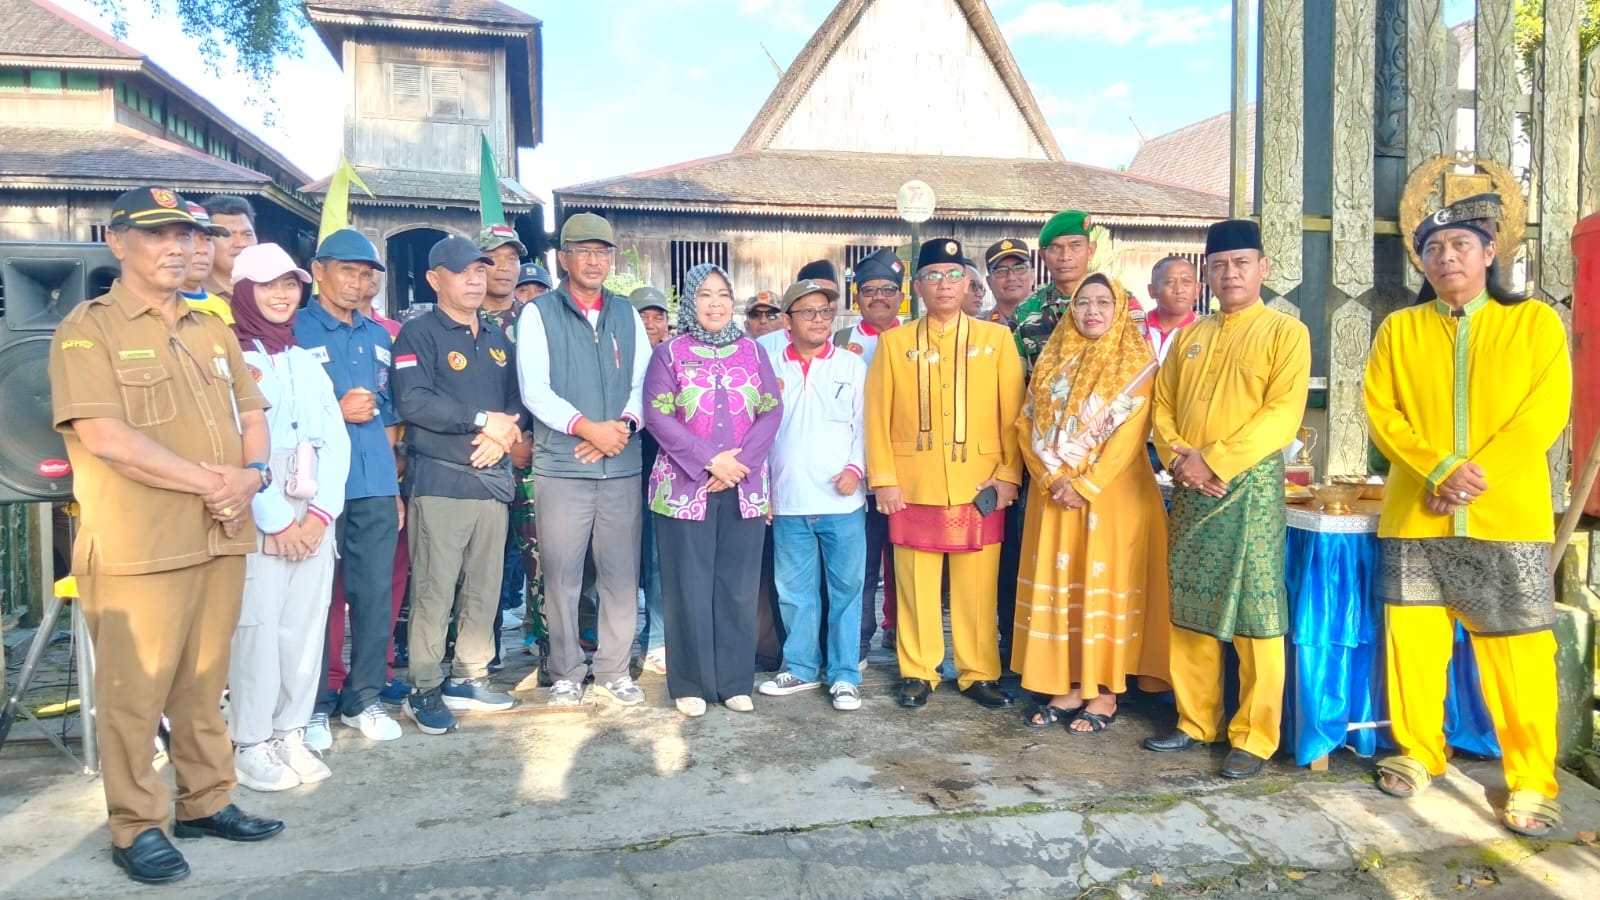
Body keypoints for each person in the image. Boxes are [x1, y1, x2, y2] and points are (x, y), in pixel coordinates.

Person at [48, 187, 282, 885]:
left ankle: (206, 801)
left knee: (204, 683)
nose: (180, 247)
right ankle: (136, 824)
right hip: (140, 548)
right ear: (117, 242)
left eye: (189, 234)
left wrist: (253, 474)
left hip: (219, 536)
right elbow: (105, 437)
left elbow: (252, 411)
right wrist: (212, 482)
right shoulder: (89, 330)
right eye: (159, 235)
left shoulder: (212, 329)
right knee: (134, 693)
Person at [1364, 195, 1572, 837]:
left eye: (1459, 246)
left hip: (1504, 515)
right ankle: (1419, 749)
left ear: (1489, 254)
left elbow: (1545, 412)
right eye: (1432, 249)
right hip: (1418, 516)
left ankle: (1533, 778)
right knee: (1415, 644)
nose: (1445, 257)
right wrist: (1438, 469)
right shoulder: (1399, 330)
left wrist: (1471, 477)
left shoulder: (1535, 324)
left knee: (1518, 650)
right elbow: (1381, 410)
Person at [1144, 219, 1310, 780]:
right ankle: (1196, 721)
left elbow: (1282, 414)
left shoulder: (1286, 333)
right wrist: (1178, 458)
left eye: (1241, 263)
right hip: (1191, 487)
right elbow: (1160, 407)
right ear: (1207, 274)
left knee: (1255, 611)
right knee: (1188, 602)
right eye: (1219, 265)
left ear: (1262, 268)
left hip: (1250, 489)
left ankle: (1255, 736)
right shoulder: (1189, 337)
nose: (1230, 273)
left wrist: (1214, 459)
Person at [865, 238, 1024, 710]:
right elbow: (876, 415)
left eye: (953, 276)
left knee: (978, 582)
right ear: (917, 287)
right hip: (913, 484)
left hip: (980, 483)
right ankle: (919, 670)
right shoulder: (895, 343)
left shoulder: (995, 340)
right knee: (915, 582)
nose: (943, 285)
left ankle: (978, 671)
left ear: (968, 284)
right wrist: (884, 478)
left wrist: (1008, 474)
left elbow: (1013, 413)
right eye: (932, 276)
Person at [1012, 274, 1171, 733]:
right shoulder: (1050, 360)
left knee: (1102, 576)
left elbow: (1130, 435)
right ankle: (1066, 681)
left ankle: (1103, 691)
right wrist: (1050, 475)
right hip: (1055, 494)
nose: (1092, 311)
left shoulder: (1136, 362)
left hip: (1112, 495)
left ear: (1121, 309)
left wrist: (1086, 484)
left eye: (1104, 302)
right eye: (1083, 302)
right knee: (1065, 579)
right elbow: (1025, 424)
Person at [224, 244, 351, 790]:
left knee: (304, 625)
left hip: (313, 499)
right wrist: (276, 520)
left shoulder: (305, 356)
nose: (282, 295)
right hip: (258, 501)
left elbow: (337, 440)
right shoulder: (227, 355)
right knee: (257, 626)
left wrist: (320, 514)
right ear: (242, 291)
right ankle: (250, 740)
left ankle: (289, 732)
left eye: (290, 284)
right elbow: (232, 441)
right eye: (268, 285)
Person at [516, 212, 650, 708]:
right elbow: (535, 389)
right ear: (563, 258)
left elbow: (644, 383)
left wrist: (624, 427)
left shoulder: (626, 313)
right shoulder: (539, 313)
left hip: (621, 463)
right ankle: (567, 670)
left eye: (603, 252)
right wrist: (586, 427)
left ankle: (615, 669)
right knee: (563, 575)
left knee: (620, 574)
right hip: (563, 466)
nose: (594, 261)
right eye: (584, 251)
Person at [392, 236, 524, 734]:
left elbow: (516, 402)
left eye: (479, 271)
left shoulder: (494, 337)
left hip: (491, 481)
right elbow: (414, 402)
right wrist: (480, 421)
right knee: (434, 590)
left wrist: (501, 433)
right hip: (441, 483)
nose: (474, 279)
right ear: (434, 279)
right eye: (462, 271)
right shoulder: (418, 334)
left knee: (484, 589)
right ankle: (423, 686)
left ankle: (468, 676)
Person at [645, 262, 783, 716]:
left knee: (738, 587)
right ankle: (691, 683)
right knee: (689, 585)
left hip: (743, 486)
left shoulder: (753, 351)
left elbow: (770, 410)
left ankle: (734, 680)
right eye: (705, 295)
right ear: (690, 302)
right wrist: (711, 460)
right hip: (685, 488)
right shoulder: (669, 353)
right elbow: (658, 415)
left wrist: (739, 465)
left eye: (723, 294)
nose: (716, 303)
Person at [294, 228, 404, 747]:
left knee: (374, 594)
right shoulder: (294, 330)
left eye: (366, 274)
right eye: (347, 271)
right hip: (313, 486)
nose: (357, 283)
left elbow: (389, 415)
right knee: (314, 597)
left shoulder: (379, 336)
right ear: (319, 271)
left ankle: (364, 697)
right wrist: (334, 415)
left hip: (375, 480)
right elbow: (277, 414)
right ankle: (312, 703)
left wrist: (395, 484)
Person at [758, 279, 868, 711]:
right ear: (788, 321)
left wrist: (856, 469)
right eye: (807, 312)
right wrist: (763, 488)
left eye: (825, 311)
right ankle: (801, 667)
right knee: (795, 591)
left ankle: (844, 676)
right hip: (788, 501)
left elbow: (865, 425)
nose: (819, 319)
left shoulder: (851, 365)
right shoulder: (770, 366)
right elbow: (759, 434)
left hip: (842, 501)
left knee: (846, 590)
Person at [474, 224, 539, 670]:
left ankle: (548, 646)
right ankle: (479, 652)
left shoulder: (537, 319)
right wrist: (499, 442)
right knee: (479, 563)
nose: (505, 267)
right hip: (477, 459)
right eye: (494, 258)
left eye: (513, 258)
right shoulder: (460, 317)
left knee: (541, 557)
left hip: (534, 458)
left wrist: (527, 441)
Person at [833, 247, 903, 654]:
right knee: (860, 561)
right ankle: (858, 638)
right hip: (855, 470)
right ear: (856, 296)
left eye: (888, 289)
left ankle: (901, 630)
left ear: (900, 295)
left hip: (905, 469)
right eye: (869, 289)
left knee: (904, 561)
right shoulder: (842, 341)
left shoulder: (916, 337)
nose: (878, 297)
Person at [630, 285, 672, 675]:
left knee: (658, 558)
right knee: (624, 560)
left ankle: (657, 636)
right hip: (622, 470)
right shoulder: (618, 358)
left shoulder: (675, 358)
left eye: (657, 316)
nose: (650, 323)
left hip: (666, 471)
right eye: (642, 316)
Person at [1015, 210, 1096, 378]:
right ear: (1043, 256)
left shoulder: (1119, 302)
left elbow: (1139, 369)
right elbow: (1014, 382)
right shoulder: (1025, 312)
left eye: (1076, 246)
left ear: (1091, 250)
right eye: (1055, 248)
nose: (1065, 256)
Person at [178, 202, 235, 323]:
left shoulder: (221, 306)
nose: (202, 250)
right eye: (189, 238)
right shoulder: (156, 307)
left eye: (208, 239)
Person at [1141, 256, 1200, 363]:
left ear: (1197, 290)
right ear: (1152, 290)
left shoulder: (1205, 331)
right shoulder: (1134, 327)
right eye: (1170, 282)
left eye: (1186, 282)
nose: (1179, 290)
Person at [200, 194, 258, 304]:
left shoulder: (272, 291)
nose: (241, 243)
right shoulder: (193, 294)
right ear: (207, 240)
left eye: (247, 234)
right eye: (228, 235)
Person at [981, 239, 1032, 330]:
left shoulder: (1055, 318)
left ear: (1032, 275)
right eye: (1001, 271)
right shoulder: (978, 327)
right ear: (989, 282)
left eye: (1019, 268)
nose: (1011, 277)